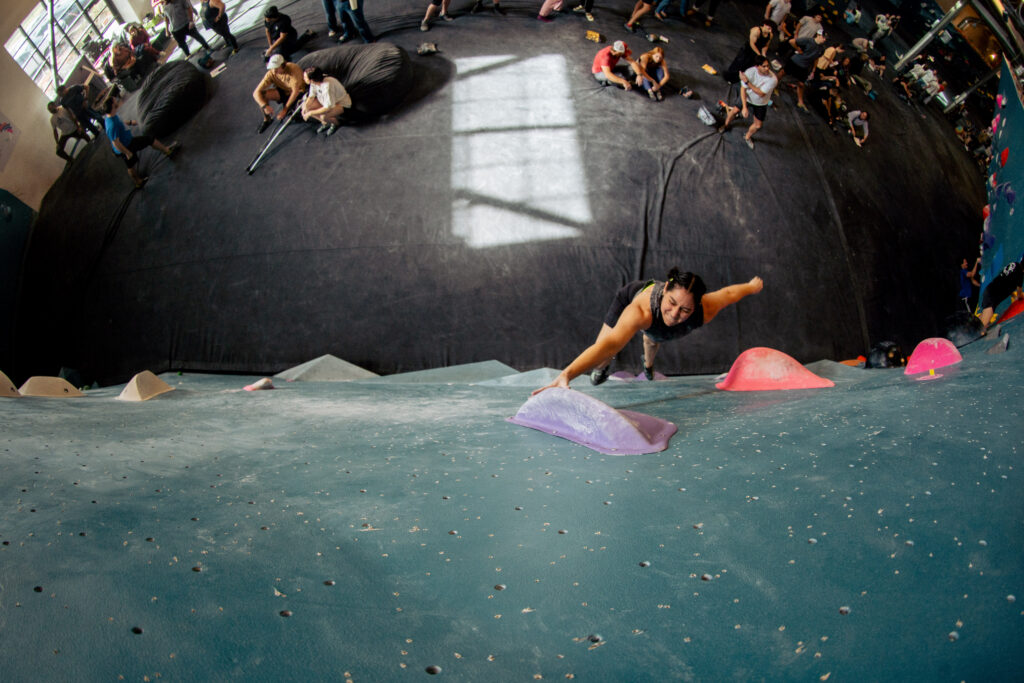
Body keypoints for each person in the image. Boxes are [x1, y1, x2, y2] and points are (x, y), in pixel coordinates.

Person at [532, 269, 764, 392]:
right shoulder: (640, 311)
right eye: (671, 303)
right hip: (629, 299)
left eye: (684, 310)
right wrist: (566, 375)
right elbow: (609, 345)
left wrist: (752, 287)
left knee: (654, 340)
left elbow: (731, 293)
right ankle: (603, 369)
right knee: (602, 356)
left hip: (655, 329)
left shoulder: (706, 309)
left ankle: (648, 365)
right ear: (664, 292)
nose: (674, 314)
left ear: (696, 306)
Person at [102, 93, 180, 188]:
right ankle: (138, 181)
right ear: (113, 106)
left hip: (127, 141)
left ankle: (166, 151)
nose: (117, 101)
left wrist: (130, 122)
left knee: (133, 161)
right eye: (115, 101)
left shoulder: (111, 115)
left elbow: (119, 122)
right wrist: (127, 153)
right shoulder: (111, 125)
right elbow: (115, 143)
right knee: (133, 160)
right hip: (125, 146)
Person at [720, 58, 778, 149]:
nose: (767, 68)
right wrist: (744, 107)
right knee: (735, 110)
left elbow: (761, 93)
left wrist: (747, 82)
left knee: (758, 125)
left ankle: (747, 136)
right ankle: (726, 125)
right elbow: (743, 89)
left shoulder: (773, 79)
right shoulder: (750, 72)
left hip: (760, 103)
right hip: (747, 97)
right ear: (757, 66)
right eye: (764, 66)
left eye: (768, 66)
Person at [253, 54, 306, 133]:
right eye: (272, 68)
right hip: (284, 91)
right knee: (262, 95)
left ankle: (291, 110)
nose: (274, 71)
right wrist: (265, 106)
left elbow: (295, 92)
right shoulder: (271, 73)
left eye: (276, 69)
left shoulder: (293, 70)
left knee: (294, 116)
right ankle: (267, 119)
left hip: (298, 94)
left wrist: (285, 110)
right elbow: (256, 93)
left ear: (283, 66)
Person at [301, 67, 351, 136]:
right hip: (327, 102)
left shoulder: (327, 86)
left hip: (341, 104)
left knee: (323, 116)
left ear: (311, 80)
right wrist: (306, 107)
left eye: (305, 77)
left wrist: (310, 113)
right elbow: (311, 96)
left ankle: (335, 123)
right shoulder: (314, 82)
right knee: (305, 106)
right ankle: (325, 123)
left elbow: (328, 107)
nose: (303, 78)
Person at [784, 31, 826, 112]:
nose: (824, 40)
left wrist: (814, 68)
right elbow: (791, 41)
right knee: (783, 73)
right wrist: (798, 49)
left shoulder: (822, 48)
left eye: (825, 39)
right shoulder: (808, 40)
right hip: (795, 61)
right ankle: (774, 86)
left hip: (805, 67)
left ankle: (800, 101)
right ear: (818, 35)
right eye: (823, 37)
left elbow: (816, 58)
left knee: (801, 84)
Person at [979, 257, 1024, 332]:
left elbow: (1006, 281)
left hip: (990, 289)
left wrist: (1013, 295)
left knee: (981, 321)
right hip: (992, 296)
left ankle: (969, 331)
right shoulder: (1020, 275)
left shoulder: (1014, 264)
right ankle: (969, 338)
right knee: (983, 327)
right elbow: (1020, 296)